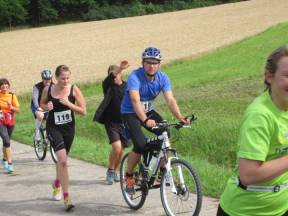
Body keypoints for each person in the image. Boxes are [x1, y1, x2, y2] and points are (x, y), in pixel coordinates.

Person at [218, 46, 288, 216]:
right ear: (269, 76)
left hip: (280, 207)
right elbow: (249, 174)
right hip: (245, 211)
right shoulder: (260, 115)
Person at [120, 47, 190, 194]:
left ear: (159, 64)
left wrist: (180, 118)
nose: (151, 66)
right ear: (143, 63)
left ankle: (162, 171)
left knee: (164, 134)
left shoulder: (163, 78)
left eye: (155, 63)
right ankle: (129, 176)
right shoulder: (135, 76)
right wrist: (145, 120)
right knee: (139, 145)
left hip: (148, 111)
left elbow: (170, 99)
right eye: (148, 62)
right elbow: (134, 99)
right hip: (130, 112)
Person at [40, 65, 86, 211]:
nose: (65, 81)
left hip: (69, 129)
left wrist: (69, 104)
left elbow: (83, 111)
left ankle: (57, 183)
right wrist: (47, 107)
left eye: (67, 78)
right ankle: (67, 197)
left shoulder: (74, 89)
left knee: (62, 162)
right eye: (62, 78)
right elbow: (41, 104)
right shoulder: (49, 89)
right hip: (53, 128)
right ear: (56, 77)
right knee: (63, 161)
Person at [93, 60, 130, 184]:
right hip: (111, 122)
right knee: (116, 147)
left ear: (121, 75)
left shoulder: (127, 86)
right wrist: (120, 68)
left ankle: (115, 170)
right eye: (111, 74)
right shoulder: (107, 86)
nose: (114, 76)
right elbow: (109, 78)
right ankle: (110, 170)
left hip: (124, 122)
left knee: (122, 150)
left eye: (116, 73)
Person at [0, 78, 20, 174]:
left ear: (8, 85)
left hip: (10, 121)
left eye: (6, 84)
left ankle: (4, 159)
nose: (4, 86)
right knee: (6, 139)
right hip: (0, 121)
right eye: (2, 85)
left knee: (6, 141)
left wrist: (11, 107)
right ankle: (10, 164)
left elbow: (18, 110)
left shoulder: (12, 96)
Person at [31, 69, 53, 144]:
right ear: (42, 79)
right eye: (45, 79)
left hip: (48, 106)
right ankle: (36, 134)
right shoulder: (37, 87)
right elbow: (35, 98)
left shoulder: (54, 86)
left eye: (49, 79)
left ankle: (48, 134)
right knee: (40, 116)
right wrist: (38, 107)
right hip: (37, 105)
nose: (47, 81)